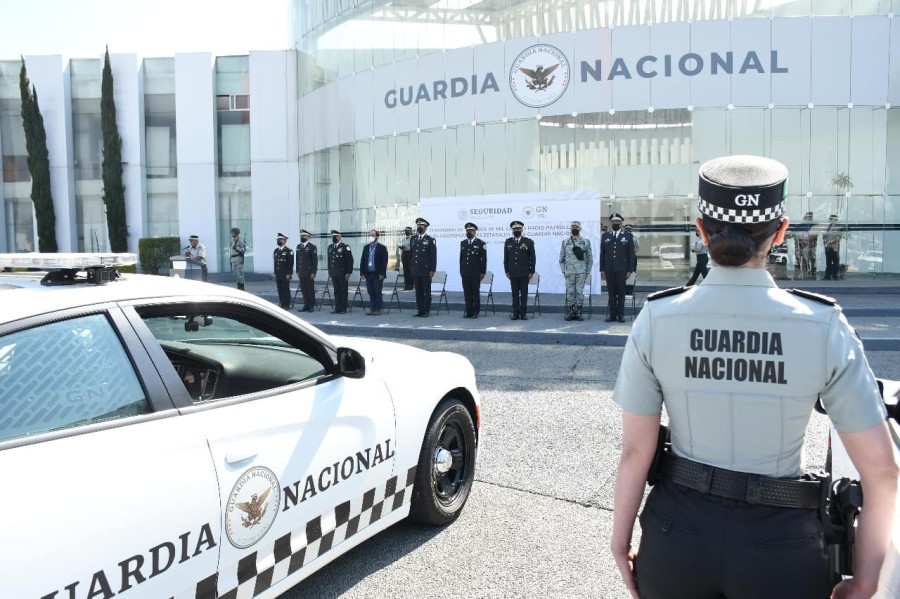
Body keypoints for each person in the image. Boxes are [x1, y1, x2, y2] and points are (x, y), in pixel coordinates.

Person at [610, 155, 898, 599]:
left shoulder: (657, 317)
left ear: (701, 231)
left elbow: (635, 451)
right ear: (780, 233)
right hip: (782, 545)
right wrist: (866, 579)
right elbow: (882, 469)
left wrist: (620, 540)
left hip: (677, 536)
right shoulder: (823, 325)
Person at [598, 214, 636, 323]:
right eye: (614, 222)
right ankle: (612, 315)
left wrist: (629, 270)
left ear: (621, 223)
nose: (615, 224)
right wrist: (602, 269)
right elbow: (602, 254)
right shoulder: (606, 236)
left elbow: (631, 255)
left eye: (618, 222)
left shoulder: (628, 236)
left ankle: (620, 315)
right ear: (611, 223)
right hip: (609, 269)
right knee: (611, 293)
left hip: (622, 270)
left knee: (621, 292)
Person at [559, 220, 592, 321]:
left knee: (579, 292)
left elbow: (590, 258)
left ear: (580, 228)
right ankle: (571, 312)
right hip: (569, 272)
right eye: (573, 227)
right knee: (570, 292)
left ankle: (578, 312)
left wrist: (588, 271)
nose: (574, 228)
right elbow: (561, 258)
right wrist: (564, 271)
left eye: (576, 227)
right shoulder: (565, 242)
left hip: (581, 272)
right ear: (570, 228)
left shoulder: (585, 242)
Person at [503, 220, 536, 320]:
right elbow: (506, 258)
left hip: (524, 273)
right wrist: (506, 271)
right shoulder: (508, 242)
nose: (516, 230)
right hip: (513, 273)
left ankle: (523, 313)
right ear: (512, 230)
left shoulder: (528, 242)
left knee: (524, 295)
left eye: (518, 228)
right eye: (514, 229)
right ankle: (515, 313)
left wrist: (531, 271)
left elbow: (533, 257)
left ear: (522, 229)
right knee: (515, 295)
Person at [459, 222, 487, 319]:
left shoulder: (481, 243)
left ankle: (476, 311)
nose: (469, 232)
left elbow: (484, 259)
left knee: (475, 293)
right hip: (465, 272)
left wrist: (483, 272)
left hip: (475, 272)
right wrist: (461, 270)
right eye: (467, 231)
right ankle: (469, 311)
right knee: (467, 293)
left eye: (471, 231)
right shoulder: (463, 243)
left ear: (475, 232)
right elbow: (461, 258)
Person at [410, 217, 437, 317]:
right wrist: (411, 267)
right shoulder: (413, 239)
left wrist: (432, 270)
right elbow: (412, 255)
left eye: (421, 226)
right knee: (418, 292)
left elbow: (433, 256)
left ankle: (426, 310)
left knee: (426, 291)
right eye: (418, 225)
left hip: (426, 270)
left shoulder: (430, 240)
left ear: (426, 228)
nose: (419, 227)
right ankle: (420, 310)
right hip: (416, 269)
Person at [359, 229, 388, 315]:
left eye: (373, 235)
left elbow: (384, 261)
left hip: (377, 274)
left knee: (377, 291)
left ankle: (378, 309)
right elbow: (362, 261)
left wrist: (382, 273)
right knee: (370, 291)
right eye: (369, 235)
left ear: (377, 237)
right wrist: (362, 273)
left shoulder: (382, 248)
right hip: (368, 273)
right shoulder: (366, 247)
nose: (371, 237)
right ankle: (372, 308)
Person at [327, 229, 353, 314]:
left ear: (339, 237)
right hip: (334, 273)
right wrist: (330, 272)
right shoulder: (330, 247)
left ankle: (343, 308)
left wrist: (348, 272)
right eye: (332, 237)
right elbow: (329, 261)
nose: (333, 238)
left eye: (335, 236)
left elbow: (350, 260)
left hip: (342, 273)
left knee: (343, 291)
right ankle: (337, 307)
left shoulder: (345, 247)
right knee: (336, 291)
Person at [295, 229, 317, 312]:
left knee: (310, 289)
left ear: (308, 237)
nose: (302, 237)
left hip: (309, 272)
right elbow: (297, 260)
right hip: (301, 272)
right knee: (303, 289)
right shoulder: (298, 246)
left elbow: (315, 261)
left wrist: (313, 272)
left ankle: (311, 305)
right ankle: (306, 305)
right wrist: (297, 271)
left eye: (304, 236)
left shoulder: (312, 246)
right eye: (301, 236)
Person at [273, 233, 293, 310]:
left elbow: (290, 263)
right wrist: (275, 272)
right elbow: (276, 263)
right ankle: (281, 302)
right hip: (278, 273)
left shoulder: (288, 251)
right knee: (280, 289)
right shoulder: (276, 251)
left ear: (284, 241)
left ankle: (286, 304)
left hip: (285, 274)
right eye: (278, 240)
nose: (279, 241)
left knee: (285, 289)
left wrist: (289, 273)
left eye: (280, 240)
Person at [823, 214, 843, 280]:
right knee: (828, 262)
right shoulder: (828, 227)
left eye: (831, 219)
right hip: (828, 247)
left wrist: (830, 243)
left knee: (835, 262)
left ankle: (835, 276)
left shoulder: (839, 227)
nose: (830, 220)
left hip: (834, 248)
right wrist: (825, 242)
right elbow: (824, 235)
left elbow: (838, 237)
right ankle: (827, 276)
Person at [399, 226, 414, 290]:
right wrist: (401, 257)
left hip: (410, 254)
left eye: (407, 231)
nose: (406, 232)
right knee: (405, 271)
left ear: (410, 231)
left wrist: (408, 249)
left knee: (410, 270)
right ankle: (406, 285)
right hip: (404, 254)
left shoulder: (413, 239)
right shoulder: (404, 239)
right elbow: (402, 248)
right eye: (405, 231)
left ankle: (411, 285)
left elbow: (414, 248)